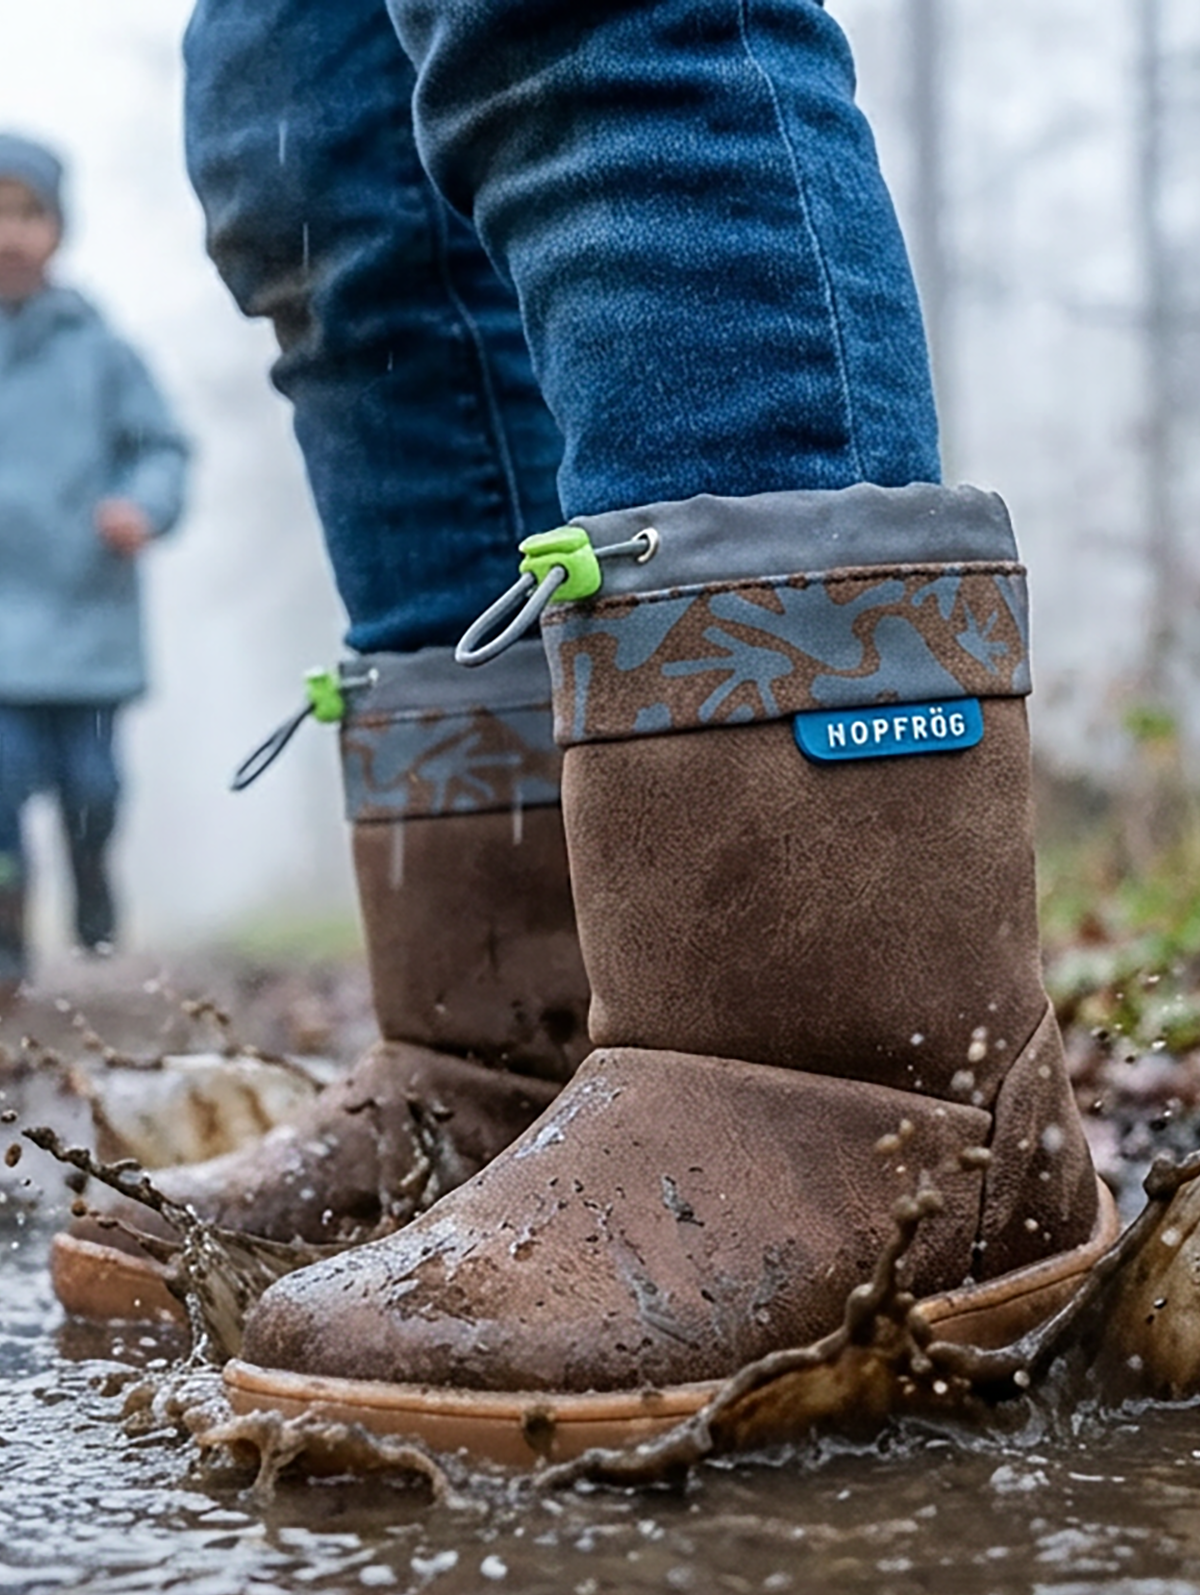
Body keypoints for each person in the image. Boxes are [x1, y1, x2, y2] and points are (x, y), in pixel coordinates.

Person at [56, 1, 1118, 1464]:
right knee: (314, 167)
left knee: (579, 34)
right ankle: (506, 1067)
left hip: (870, 1093)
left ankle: (873, 1107)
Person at [0, 133, 188, 987]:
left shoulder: (101, 351)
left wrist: (141, 505)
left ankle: (93, 882)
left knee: (94, 789)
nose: (9, 232)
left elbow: (162, 448)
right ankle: (5, 944)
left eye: (26, 211)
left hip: (87, 615)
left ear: (58, 227)